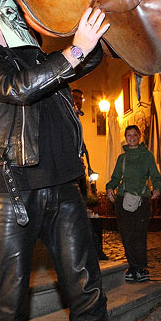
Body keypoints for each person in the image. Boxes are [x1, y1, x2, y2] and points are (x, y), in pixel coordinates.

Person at [0, 0, 115, 321]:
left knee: (87, 295)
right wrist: (74, 51)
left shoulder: (43, 59)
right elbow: (19, 88)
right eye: (12, 9)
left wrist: (89, 31)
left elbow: (87, 58)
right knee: (8, 310)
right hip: (11, 196)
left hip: (65, 191)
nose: (23, 16)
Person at [106, 125, 161, 283]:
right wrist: (110, 187)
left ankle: (141, 268)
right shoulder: (122, 158)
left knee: (139, 234)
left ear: (139, 137)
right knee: (126, 234)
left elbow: (155, 175)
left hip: (142, 200)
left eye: (135, 135)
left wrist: (157, 188)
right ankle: (133, 267)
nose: (132, 138)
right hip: (123, 199)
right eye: (129, 135)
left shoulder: (147, 156)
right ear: (126, 137)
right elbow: (116, 177)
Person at [71, 88, 109, 261]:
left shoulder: (77, 117)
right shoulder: (66, 113)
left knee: (83, 207)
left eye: (80, 98)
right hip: (69, 169)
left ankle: (92, 250)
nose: (78, 101)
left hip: (78, 167)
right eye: (75, 97)